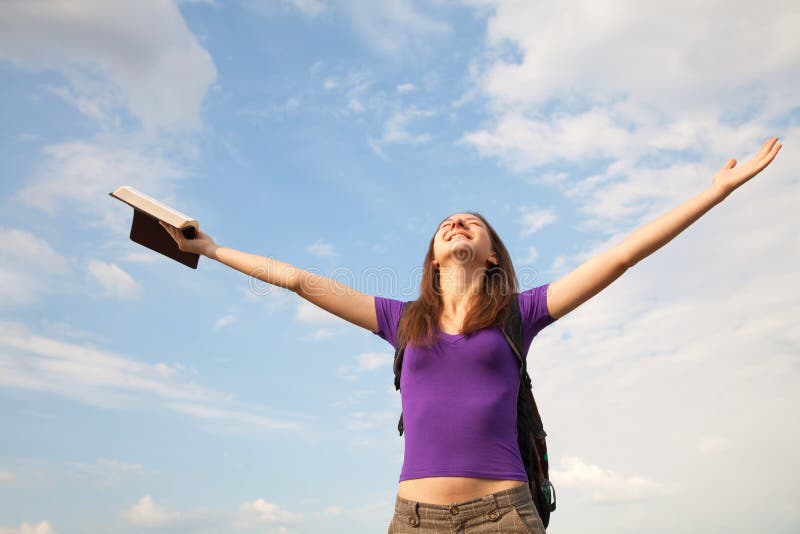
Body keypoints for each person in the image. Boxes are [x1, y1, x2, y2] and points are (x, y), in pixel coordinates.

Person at [160, 137, 782, 533]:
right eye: (446, 225)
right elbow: (295, 279)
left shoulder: (521, 312)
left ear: (489, 257)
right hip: (414, 520)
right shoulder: (400, 320)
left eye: (472, 224)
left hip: (504, 517)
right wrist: (210, 249)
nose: (457, 223)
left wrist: (714, 193)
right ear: (434, 259)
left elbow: (620, 258)